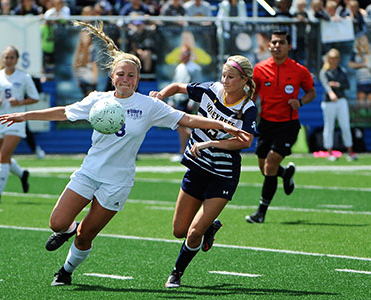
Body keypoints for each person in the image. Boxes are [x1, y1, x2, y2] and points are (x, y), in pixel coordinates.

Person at [0, 21, 250, 287]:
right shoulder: (98, 99)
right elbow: (63, 111)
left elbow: (188, 118)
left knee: (85, 236)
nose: (126, 80)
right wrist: (25, 114)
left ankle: (66, 271)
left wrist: (222, 124)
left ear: (138, 79)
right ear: (112, 77)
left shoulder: (149, 105)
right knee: (57, 223)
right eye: (121, 75)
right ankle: (68, 231)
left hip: (117, 181)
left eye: (131, 76)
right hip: (89, 172)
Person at [150, 55, 257, 288]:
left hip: (223, 174)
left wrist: (210, 144)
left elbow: (246, 141)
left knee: (193, 233)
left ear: (244, 80)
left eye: (231, 77)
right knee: (179, 230)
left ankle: (176, 273)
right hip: (197, 168)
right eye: (224, 75)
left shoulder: (247, 108)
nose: (225, 80)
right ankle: (210, 226)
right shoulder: (211, 89)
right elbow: (178, 87)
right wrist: (160, 95)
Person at [246, 30, 316, 224]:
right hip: (266, 123)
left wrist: (300, 102)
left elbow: (312, 92)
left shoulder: (299, 70)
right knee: (264, 168)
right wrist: (246, 113)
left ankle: (261, 212)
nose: (277, 46)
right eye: (274, 42)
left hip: (288, 124)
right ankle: (286, 173)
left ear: (288, 46)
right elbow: (253, 95)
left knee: (269, 165)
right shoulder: (259, 69)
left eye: (281, 42)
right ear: (269, 46)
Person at [0, 46, 38, 204]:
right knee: (3, 157)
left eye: (12, 57)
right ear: (2, 59)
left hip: (16, 121)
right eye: (6, 57)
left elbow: (35, 97)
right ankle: (21, 174)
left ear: (17, 59)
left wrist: (20, 102)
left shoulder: (24, 77)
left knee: (4, 156)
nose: (9, 60)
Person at [166, 44, 202, 162]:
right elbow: (175, 83)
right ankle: (186, 150)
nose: (183, 56)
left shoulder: (195, 68)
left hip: (187, 101)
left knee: (182, 126)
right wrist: (171, 99)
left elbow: (197, 85)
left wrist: (192, 101)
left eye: (186, 53)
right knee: (180, 127)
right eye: (182, 53)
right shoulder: (180, 67)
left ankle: (194, 146)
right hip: (179, 100)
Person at [319, 48, 357, 161]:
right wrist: (331, 92)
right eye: (331, 58)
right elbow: (326, 85)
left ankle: (350, 152)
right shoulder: (324, 72)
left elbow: (347, 85)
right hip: (328, 103)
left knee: (345, 126)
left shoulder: (342, 71)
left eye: (335, 59)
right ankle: (329, 153)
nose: (333, 61)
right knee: (329, 127)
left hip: (341, 100)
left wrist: (338, 85)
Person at [348, 35, 371, 109]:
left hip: (370, 81)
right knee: (361, 104)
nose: (363, 42)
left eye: (364, 40)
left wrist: (369, 64)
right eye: (361, 40)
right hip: (361, 82)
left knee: (369, 104)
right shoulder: (355, 53)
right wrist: (363, 64)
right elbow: (351, 65)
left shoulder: (370, 52)